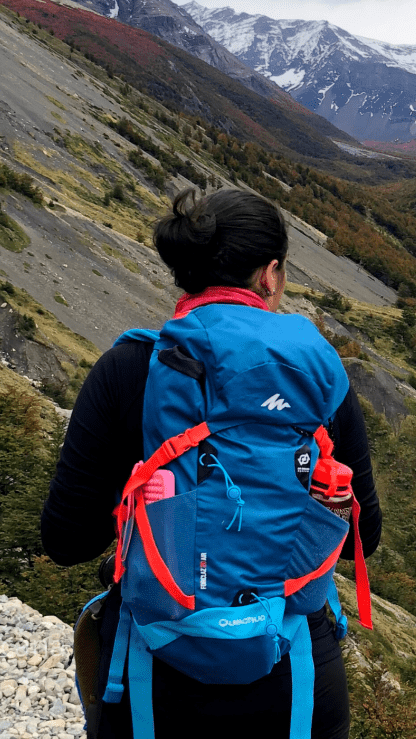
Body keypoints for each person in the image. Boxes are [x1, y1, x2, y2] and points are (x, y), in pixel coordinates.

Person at [41, 187, 381, 739]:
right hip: (293, 674)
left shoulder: (130, 367)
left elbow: (66, 540)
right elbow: (366, 533)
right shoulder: (314, 376)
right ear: (270, 275)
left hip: (157, 673)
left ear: (186, 272)